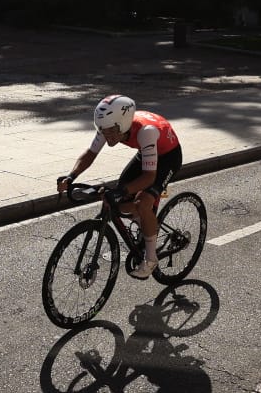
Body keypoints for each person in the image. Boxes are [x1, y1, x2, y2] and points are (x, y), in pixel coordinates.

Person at [57, 95, 183, 279]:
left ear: (122, 125)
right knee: (121, 203)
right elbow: (90, 154)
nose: (105, 135)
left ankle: (151, 258)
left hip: (168, 157)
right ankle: (145, 223)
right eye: (102, 130)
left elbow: (149, 177)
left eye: (109, 131)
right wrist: (71, 176)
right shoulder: (109, 125)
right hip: (146, 152)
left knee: (142, 201)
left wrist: (121, 191)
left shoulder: (145, 132)